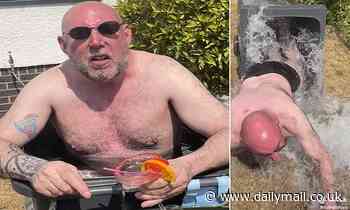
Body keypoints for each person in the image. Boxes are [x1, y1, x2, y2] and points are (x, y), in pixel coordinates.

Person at [0, 2, 229, 208]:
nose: (96, 42)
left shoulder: (165, 75)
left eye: (108, 29)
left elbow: (231, 131)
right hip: (87, 190)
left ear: (127, 35)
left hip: (164, 187)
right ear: (63, 44)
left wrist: (188, 166)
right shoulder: (49, 87)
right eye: (80, 34)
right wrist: (36, 168)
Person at [231, 47, 335, 206]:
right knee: (272, 50)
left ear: (279, 123)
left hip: (284, 73)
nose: (278, 153)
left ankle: (288, 46)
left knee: (292, 59)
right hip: (253, 75)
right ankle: (278, 45)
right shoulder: (231, 129)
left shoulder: (291, 115)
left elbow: (323, 157)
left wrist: (330, 201)